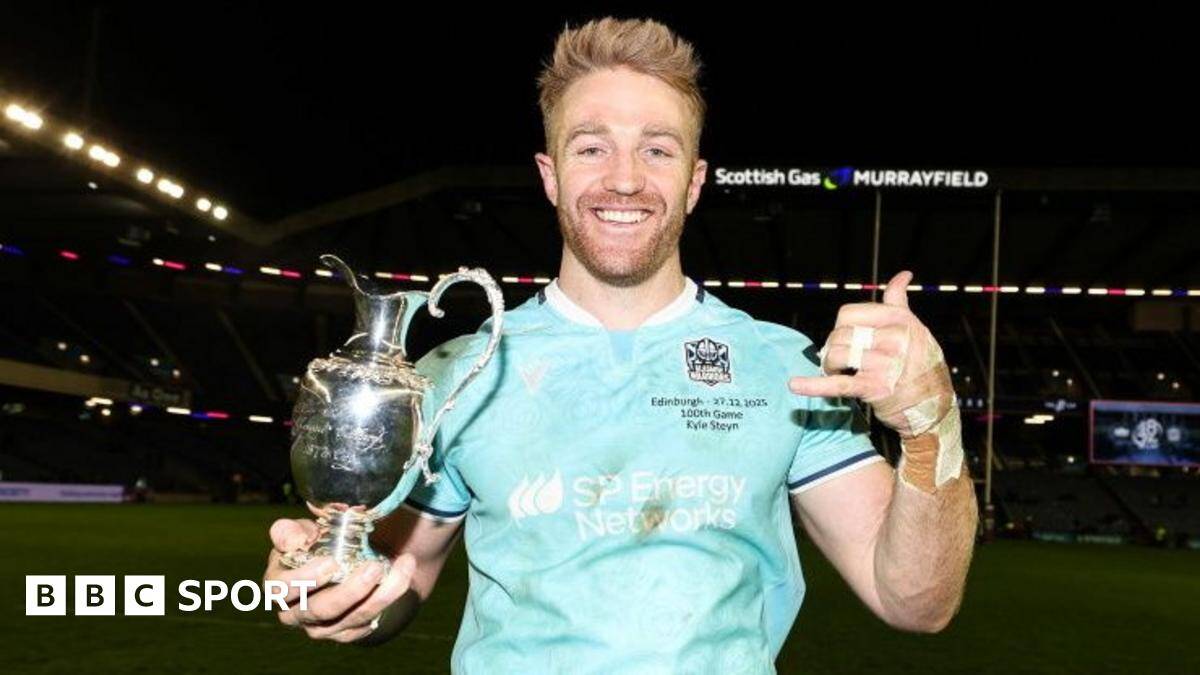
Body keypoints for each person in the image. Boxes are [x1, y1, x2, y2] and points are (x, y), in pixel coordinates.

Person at [263, 17, 977, 672]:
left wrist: (932, 424)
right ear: (550, 175)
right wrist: (341, 592)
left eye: (657, 150)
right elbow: (401, 577)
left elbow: (916, 602)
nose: (626, 179)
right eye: (592, 147)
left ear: (694, 182)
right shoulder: (458, 372)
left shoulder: (784, 368)